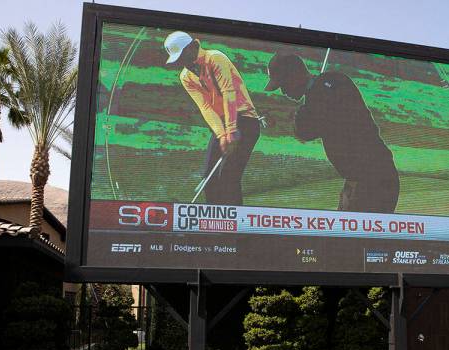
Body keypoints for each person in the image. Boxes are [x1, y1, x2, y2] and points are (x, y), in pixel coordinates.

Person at [265, 53, 399, 213]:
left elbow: (304, 131)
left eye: (283, 84)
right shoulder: (327, 88)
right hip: (365, 177)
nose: (283, 91)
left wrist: (304, 110)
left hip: (373, 179)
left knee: (352, 236)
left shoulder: (327, 89)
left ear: (294, 75)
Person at [164, 31, 261, 205]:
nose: (182, 62)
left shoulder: (215, 58)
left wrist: (231, 131)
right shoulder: (186, 77)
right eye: (178, 60)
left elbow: (228, 93)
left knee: (228, 177)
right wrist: (222, 134)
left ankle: (234, 226)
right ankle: (212, 226)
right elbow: (205, 107)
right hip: (222, 124)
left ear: (194, 46)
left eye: (182, 56)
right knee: (208, 179)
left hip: (245, 120)